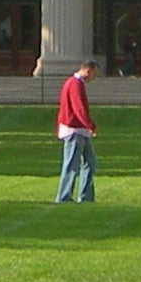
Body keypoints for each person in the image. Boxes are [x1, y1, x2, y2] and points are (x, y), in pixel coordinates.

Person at [55, 59, 98, 203]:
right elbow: (79, 108)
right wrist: (89, 124)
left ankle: (86, 197)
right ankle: (64, 196)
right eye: (94, 74)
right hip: (74, 129)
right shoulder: (75, 84)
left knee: (90, 162)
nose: (94, 78)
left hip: (80, 130)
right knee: (72, 165)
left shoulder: (76, 83)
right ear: (88, 70)